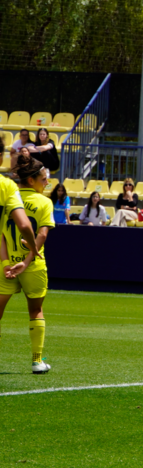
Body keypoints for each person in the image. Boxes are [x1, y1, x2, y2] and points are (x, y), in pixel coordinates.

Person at [0, 154, 51, 373]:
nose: (47, 182)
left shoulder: (9, 197)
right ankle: (37, 361)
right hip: (33, 266)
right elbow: (42, 235)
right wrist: (27, 260)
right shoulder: (44, 202)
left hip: (6, 265)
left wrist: (5, 262)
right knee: (36, 310)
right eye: (44, 179)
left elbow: (1, 236)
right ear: (31, 180)